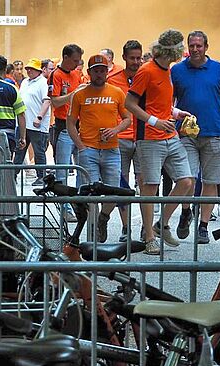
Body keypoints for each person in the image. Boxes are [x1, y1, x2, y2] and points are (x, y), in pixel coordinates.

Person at [125, 29, 194, 255]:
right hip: (150, 138)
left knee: (186, 181)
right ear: (171, 51)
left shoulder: (168, 71)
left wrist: (175, 113)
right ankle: (149, 237)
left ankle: (160, 224)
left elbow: (157, 102)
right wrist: (155, 121)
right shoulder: (146, 71)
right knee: (150, 187)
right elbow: (130, 103)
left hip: (169, 135)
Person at [171, 30, 220, 244]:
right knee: (187, 178)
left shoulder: (218, 69)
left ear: (206, 47)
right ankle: (186, 211)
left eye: (199, 45)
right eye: (192, 46)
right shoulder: (177, 71)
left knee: (211, 180)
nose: (195, 49)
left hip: (214, 132)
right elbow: (167, 101)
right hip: (186, 133)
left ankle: (203, 226)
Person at [67, 55, 130, 242]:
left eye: (103, 70)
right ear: (89, 73)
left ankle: (104, 217)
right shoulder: (80, 94)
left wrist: (115, 130)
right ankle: (93, 234)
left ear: (107, 72)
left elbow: (127, 118)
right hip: (89, 150)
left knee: (113, 190)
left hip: (112, 149)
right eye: (96, 70)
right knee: (92, 193)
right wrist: (81, 147)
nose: (100, 74)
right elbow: (71, 123)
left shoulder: (117, 92)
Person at [107, 40, 143, 241]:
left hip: (144, 137)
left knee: (146, 183)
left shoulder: (147, 76)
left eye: (139, 58)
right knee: (122, 185)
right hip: (120, 138)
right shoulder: (112, 80)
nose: (136, 62)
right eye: (132, 58)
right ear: (124, 58)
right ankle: (126, 227)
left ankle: (146, 229)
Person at [48, 44, 84, 222]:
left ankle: (79, 203)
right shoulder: (56, 75)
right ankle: (64, 207)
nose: (77, 64)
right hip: (63, 127)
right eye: (75, 60)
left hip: (80, 126)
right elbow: (55, 102)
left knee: (82, 168)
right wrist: (73, 95)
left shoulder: (77, 74)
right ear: (66, 57)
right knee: (62, 170)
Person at [13, 58, 51, 185]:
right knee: (19, 150)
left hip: (37, 125)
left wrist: (39, 117)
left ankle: (41, 177)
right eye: (28, 68)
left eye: (32, 69)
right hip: (23, 124)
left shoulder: (43, 83)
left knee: (39, 151)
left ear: (38, 70)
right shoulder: (25, 82)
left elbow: (47, 101)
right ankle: (13, 175)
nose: (29, 71)